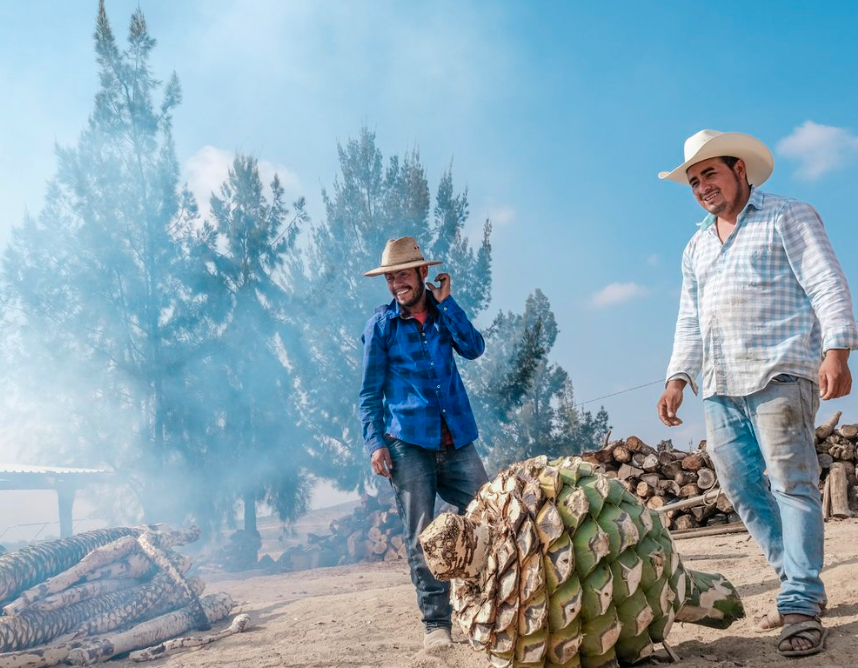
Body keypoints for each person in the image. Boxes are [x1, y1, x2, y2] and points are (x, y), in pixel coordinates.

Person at [656, 129, 857, 658]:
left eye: (711, 173)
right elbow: (689, 319)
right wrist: (678, 377)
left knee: (792, 484)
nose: (702, 186)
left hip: (780, 373)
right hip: (720, 385)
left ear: (740, 170)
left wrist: (837, 348)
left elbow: (826, 281)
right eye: (694, 180)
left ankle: (798, 603)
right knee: (742, 486)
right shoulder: (697, 245)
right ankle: (795, 580)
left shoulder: (787, 216)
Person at [359, 236, 489, 651]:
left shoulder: (441, 316)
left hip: (457, 440)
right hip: (407, 443)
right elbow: (368, 392)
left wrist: (447, 302)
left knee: (491, 515)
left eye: (403, 274)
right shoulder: (381, 326)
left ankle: (493, 601)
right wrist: (375, 442)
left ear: (422, 273)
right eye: (390, 276)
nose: (396, 283)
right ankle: (437, 623)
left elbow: (474, 347)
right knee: (421, 534)